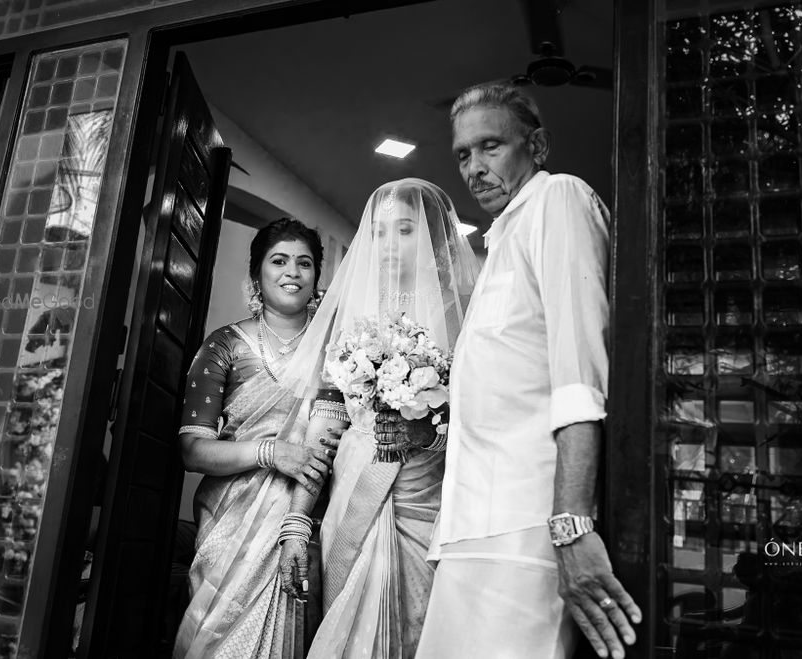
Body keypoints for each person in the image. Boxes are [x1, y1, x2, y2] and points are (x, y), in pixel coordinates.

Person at [416, 83, 642, 659]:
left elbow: (579, 373)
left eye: (490, 146)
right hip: (470, 523)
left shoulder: (558, 200)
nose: (474, 167)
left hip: (528, 525)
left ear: (536, 146)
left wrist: (572, 525)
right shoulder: (496, 244)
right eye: (463, 155)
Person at [276, 178, 481, 658]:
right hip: (355, 486)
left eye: (405, 230)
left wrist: (429, 429)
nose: (389, 244)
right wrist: (297, 522)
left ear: (435, 239)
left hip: (429, 495)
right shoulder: (351, 315)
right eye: (381, 231)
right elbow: (326, 420)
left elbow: (486, 415)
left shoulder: (466, 316)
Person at [173, 218, 336, 659]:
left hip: (303, 521)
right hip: (229, 525)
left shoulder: (339, 352)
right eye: (279, 261)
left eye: (305, 264)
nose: (292, 272)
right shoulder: (224, 345)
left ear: (316, 279)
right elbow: (192, 449)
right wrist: (269, 452)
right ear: (256, 275)